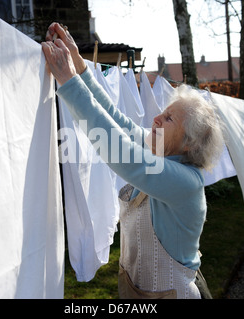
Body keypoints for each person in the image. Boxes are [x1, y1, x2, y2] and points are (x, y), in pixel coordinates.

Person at [42, 22, 224, 299]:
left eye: (169, 119)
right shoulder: (160, 149)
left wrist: (69, 82)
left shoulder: (185, 182)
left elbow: (121, 152)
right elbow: (119, 122)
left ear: (189, 143)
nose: (156, 119)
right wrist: (80, 68)